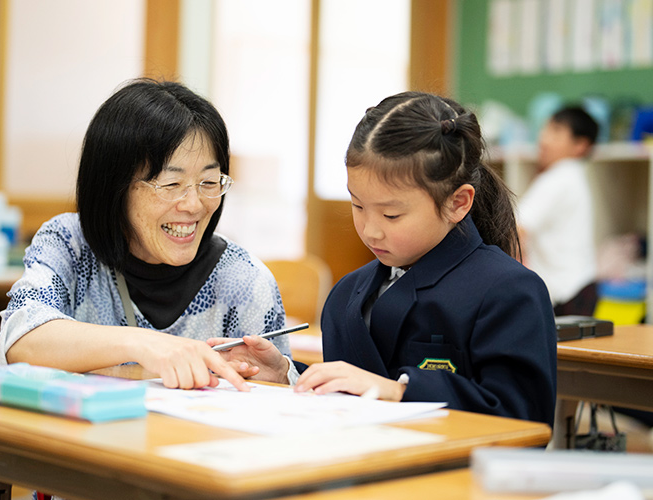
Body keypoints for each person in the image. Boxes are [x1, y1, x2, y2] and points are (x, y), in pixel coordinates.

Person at [217, 92, 557, 426]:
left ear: (458, 203)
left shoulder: (509, 291)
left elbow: (524, 419)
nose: (371, 230)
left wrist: (400, 392)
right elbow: (353, 392)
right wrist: (286, 374)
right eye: (358, 206)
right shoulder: (348, 294)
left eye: (391, 215)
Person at [0, 79, 296, 391]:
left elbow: (276, 413)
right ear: (116, 186)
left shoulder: (244, 279)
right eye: (171, 184)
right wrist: (143, 344)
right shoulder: (69, 244)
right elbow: (20, 340)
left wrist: (281, 378)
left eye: (208, 182)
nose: (193, 205)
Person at [518, 105, 599, 316]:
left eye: (556, 131)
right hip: (578, 286)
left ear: (581, 145)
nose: (543, 139)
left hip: (566, 292)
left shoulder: (559, 177)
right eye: (544, 130)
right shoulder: (572, 175)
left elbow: (517, 228)